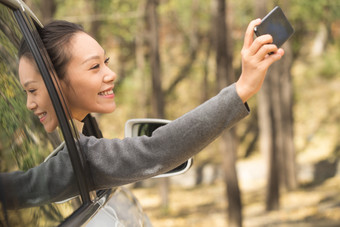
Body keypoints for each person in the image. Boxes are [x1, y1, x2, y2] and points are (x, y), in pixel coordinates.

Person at [1, 18, 284, 209]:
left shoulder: (76, 155)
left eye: (105, 63)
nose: (111, 74)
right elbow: (158, 150)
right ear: (56, 83)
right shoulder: (78, 160)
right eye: (94, 67)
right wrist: (242, 88)